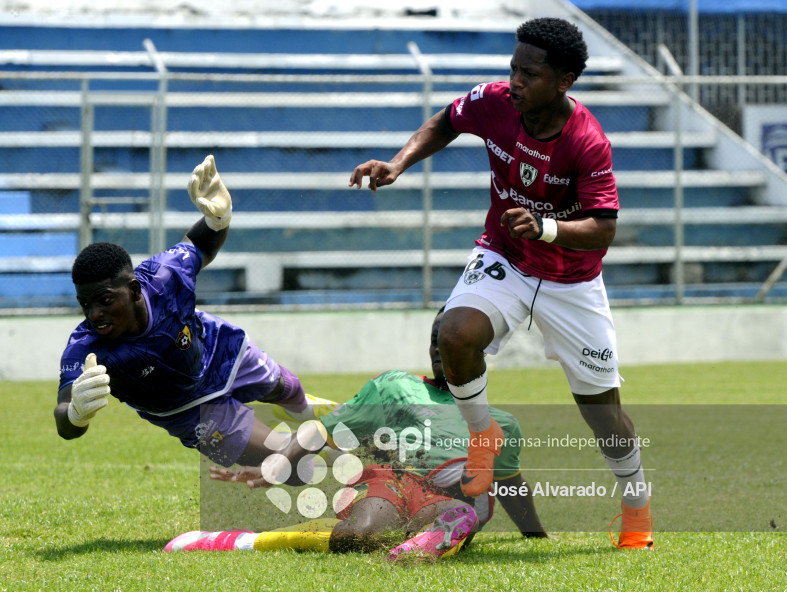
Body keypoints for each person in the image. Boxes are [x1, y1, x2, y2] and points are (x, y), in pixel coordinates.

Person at [349, 18, 653, 550]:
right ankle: (482, 433)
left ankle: (636, 508)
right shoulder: (494, 102)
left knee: (603, 414)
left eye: (529, 74)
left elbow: (605, 227)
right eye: (513, 68)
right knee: (455, 333)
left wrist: (548, 226)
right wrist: (399, 164)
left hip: (570, 280)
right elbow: (446, 121)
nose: (514, 81)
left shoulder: (586, 141)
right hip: (505, 259)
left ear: (564, 81)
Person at [164, 308, 547, 560]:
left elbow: (511, 482)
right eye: (435, 340)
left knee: (459, 513)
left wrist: (536, 537)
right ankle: (244, 541)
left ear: (478, 353)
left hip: (443, 499)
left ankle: (420, 546)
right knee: (359, 536)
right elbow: (321, 429)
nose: (438, 350)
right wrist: (279, 462)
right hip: (392, 485)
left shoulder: (501, 423)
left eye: (450, 343)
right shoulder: (396, 386)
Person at [54, 155, 335, 468]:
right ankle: (360, 460)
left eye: (104, 300)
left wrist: (220, 216)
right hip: (186, 411)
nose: (93, 314)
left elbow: (203, 243)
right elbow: (63, 421)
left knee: (287, 387)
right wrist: (76, 414)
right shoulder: (84, 348)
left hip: (219, 351)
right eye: (85, 304)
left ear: (133, 290)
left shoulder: (165, 276)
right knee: (284, 463)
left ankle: (309, 411)